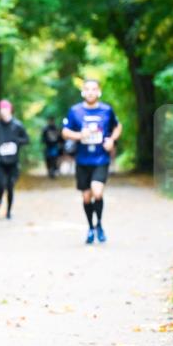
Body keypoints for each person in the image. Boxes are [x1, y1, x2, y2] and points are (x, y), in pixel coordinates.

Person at [61, 79, 121, 244]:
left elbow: (117, 126)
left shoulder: (107, 110)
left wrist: (111, 140)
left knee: (97, 192)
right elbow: (65, 132)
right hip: (82, 160)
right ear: (83, 92)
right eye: (87, 89)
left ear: (99, 92)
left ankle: (99, 224)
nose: (90, 92)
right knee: (86, 197)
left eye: (94, 89)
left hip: (101, 159)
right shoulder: (75, 111)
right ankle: (90, 227)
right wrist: (80, 135)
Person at [0, 99, 29, 219]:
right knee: (1, 185)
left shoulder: (17, 125)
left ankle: (9, 211)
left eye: (5, 109)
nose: (3, 111)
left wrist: (16, 142)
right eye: (1, 109)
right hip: (0, 162)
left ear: (10, 110)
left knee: (10, 186)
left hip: (13, 162)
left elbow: (26, 139)